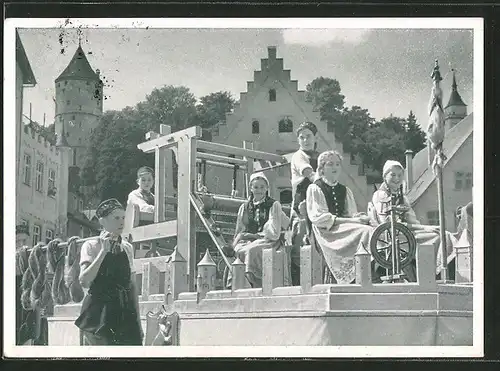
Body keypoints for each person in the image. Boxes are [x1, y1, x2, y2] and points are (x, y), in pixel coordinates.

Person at [371, 160, 459, 276]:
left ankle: (445, 270)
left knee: (445, 235)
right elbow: (389, 224)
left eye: (400, 175)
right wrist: (426, 229)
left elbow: (412, 220)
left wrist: (425, 228)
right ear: (384, 176)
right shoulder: (380, 195)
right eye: (392, 175)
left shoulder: (403, 198)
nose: (397, 178)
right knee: (439, 237)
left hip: (405, 233)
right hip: (390, 236)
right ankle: (435, 272)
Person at [75, 198, 143, 345]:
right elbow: (84, 281)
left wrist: (138, 321)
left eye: (123, 218)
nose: (121, 222)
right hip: (99, 314)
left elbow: (132, 286)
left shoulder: (127, 248)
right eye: (116, 218)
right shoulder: (91, 246)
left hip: (124, 312)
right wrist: (103, 253)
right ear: (102, 221)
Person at [306, 150, 373, 284]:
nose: (335, 168)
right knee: (365, 232)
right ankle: (359, 272)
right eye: (330, 164)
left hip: (343, 227)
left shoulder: (344, 190)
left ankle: (367, 270)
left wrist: (359, 217)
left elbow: (351, 214)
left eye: (337, 164)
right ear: (322, 169)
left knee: (369, 228)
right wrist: (353, 220)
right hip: (326, 232)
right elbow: (320, 219)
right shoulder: (315, 188)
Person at [230, 172, 290, 288]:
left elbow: (274, 231)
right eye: (256, 187)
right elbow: (240, 228)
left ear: (267, 188)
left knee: (251, 250)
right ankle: (240, 281)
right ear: (251, 188)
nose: (259, 190)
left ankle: (255, 282)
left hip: (268, 240)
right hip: (248, 240)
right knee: (239, 250)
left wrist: (258, 235)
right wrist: (236, 241)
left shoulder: (273, 205)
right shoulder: (245, 207)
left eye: (262, 187)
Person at [289, 121, 320, 286]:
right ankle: (298, 281)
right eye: (302, 137)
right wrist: (322, 180)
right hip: (302, 202)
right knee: (301, 239)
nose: (305, 140)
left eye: (308, 136)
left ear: (315, 138)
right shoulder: (298, 156)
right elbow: (309, 173)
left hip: (317, 202)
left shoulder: (319, 156)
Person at [15, 224, 35, 345]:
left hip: (29, 304)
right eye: (17, 241)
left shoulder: (32, 256)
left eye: (24, 240)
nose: (21, 244)